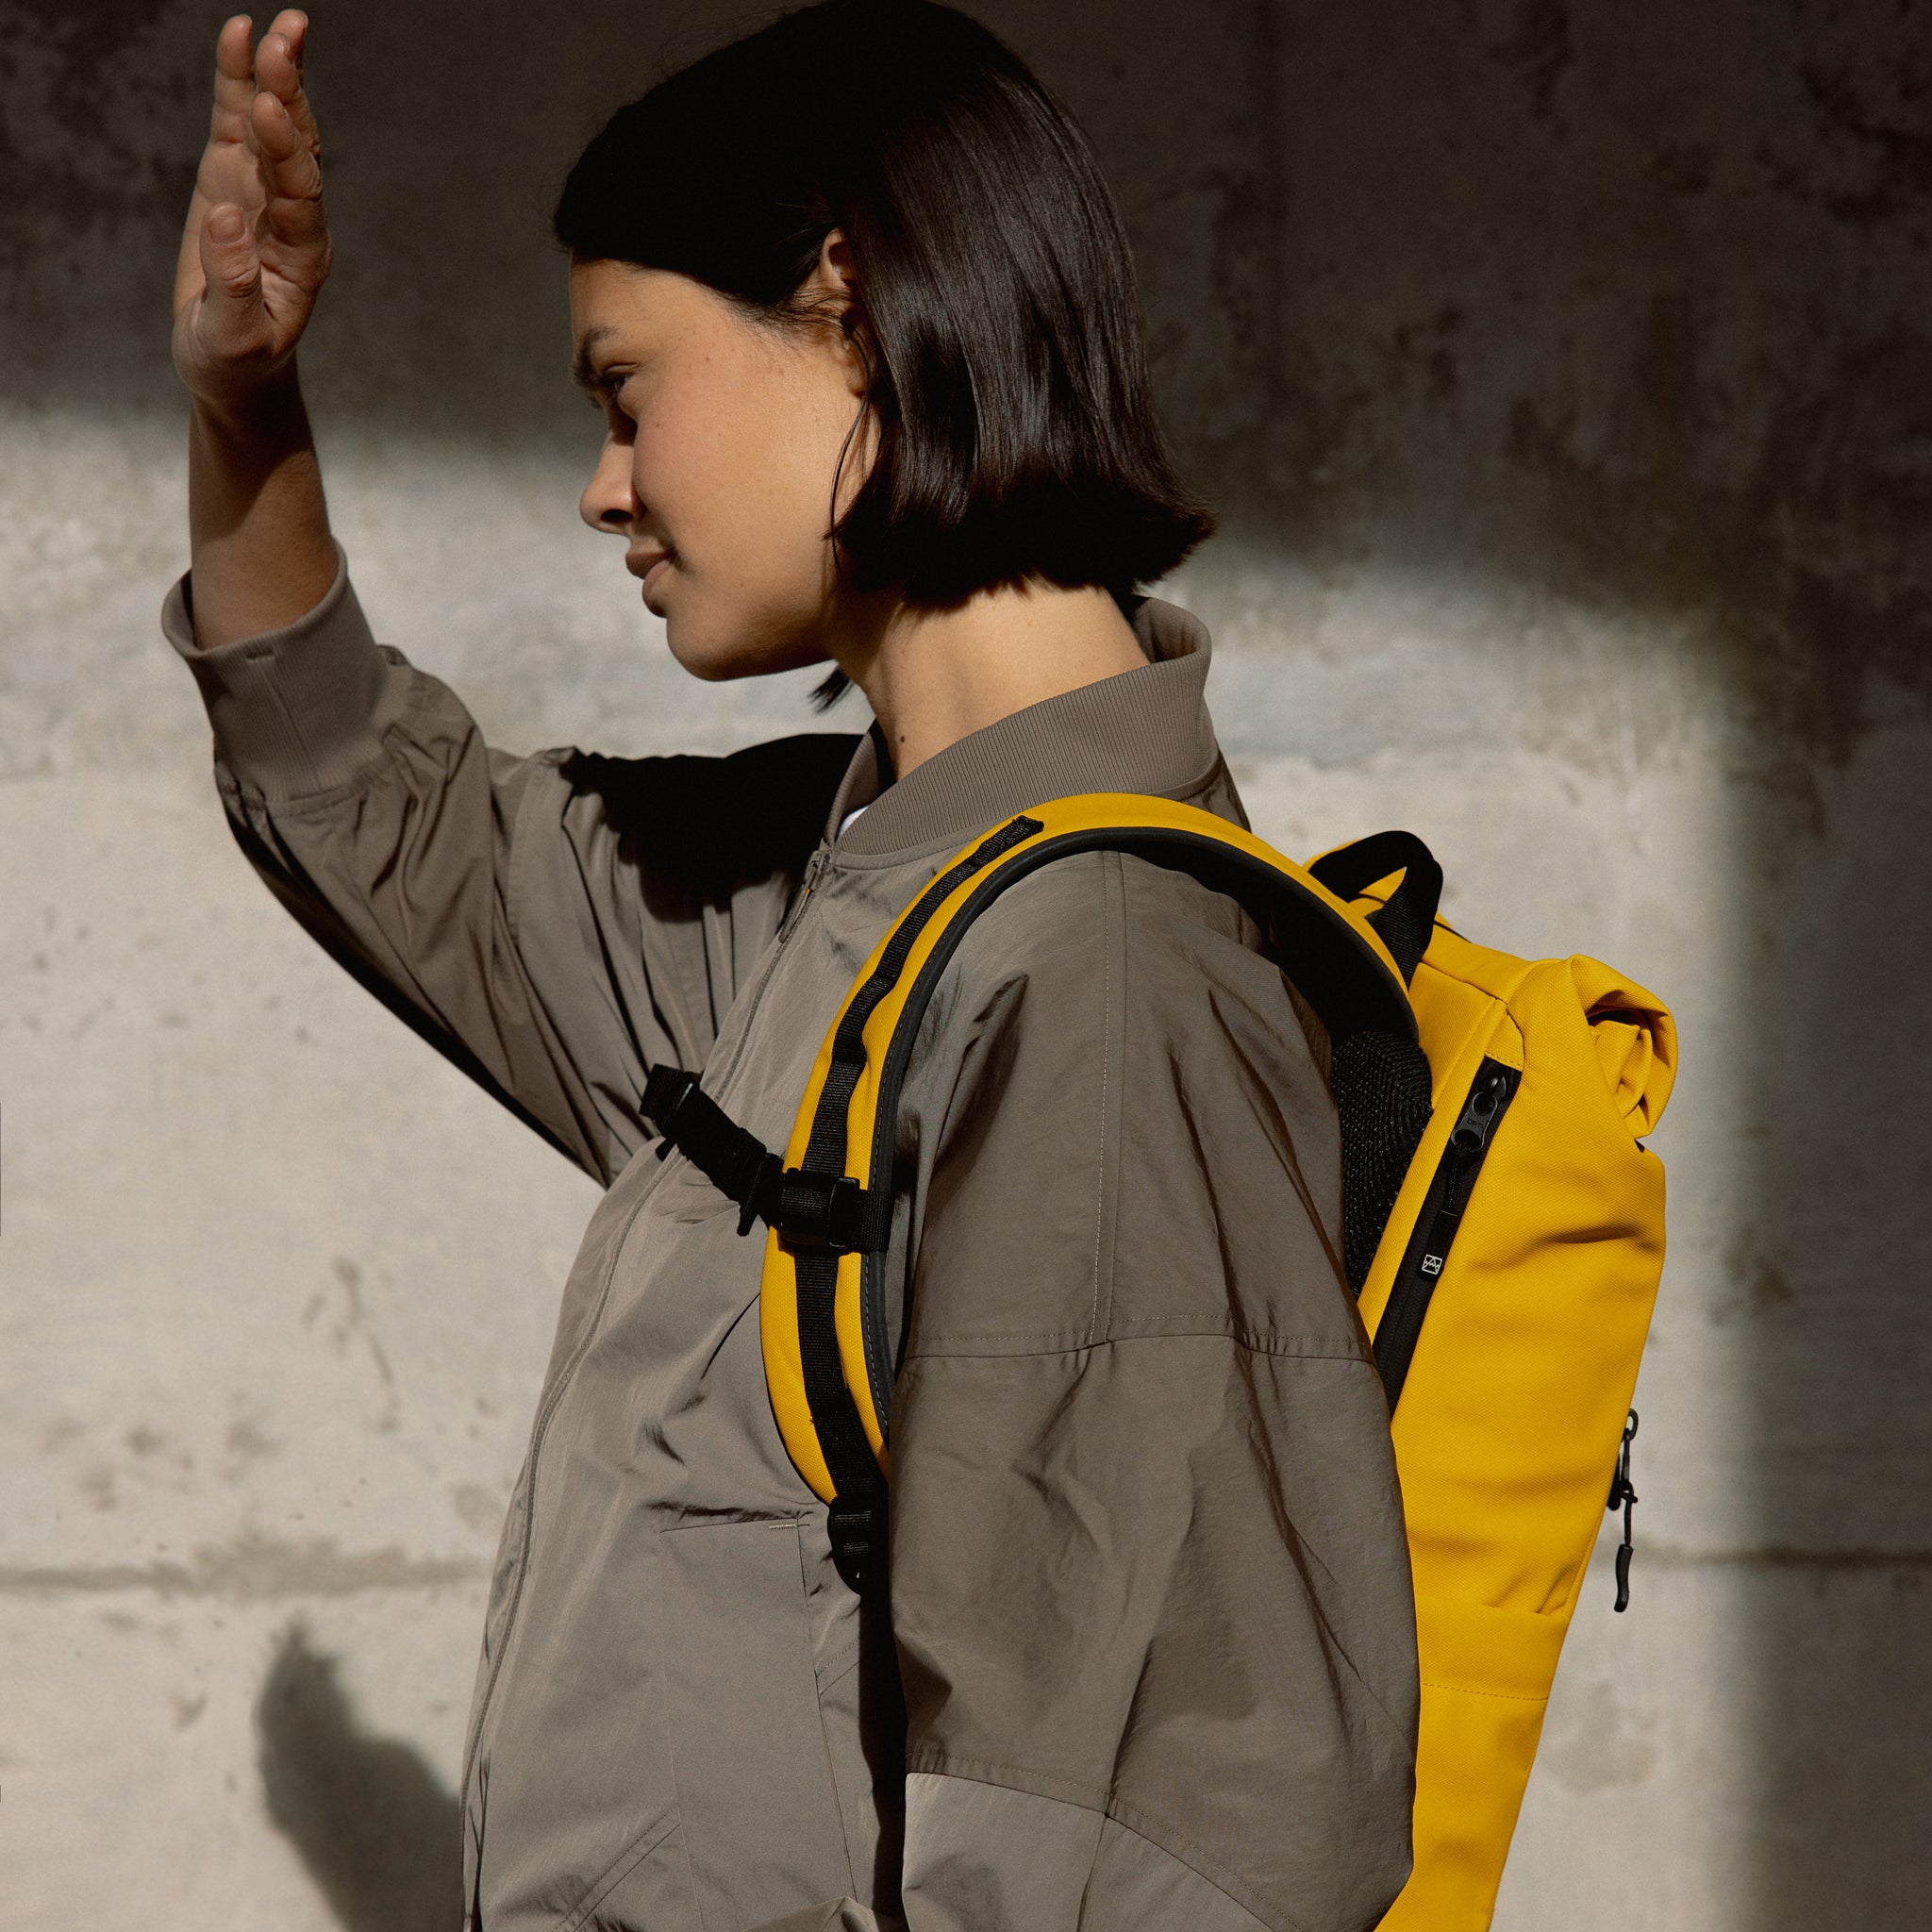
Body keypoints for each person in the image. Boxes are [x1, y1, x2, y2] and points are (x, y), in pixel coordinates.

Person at [164, 5, 1419, 1928]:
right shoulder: (847, 894)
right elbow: (373, 806)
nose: (603, 488)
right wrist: (245, 404)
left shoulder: (1090, 981)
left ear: (849, 293)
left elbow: (1147, 1850)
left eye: (621, 388)